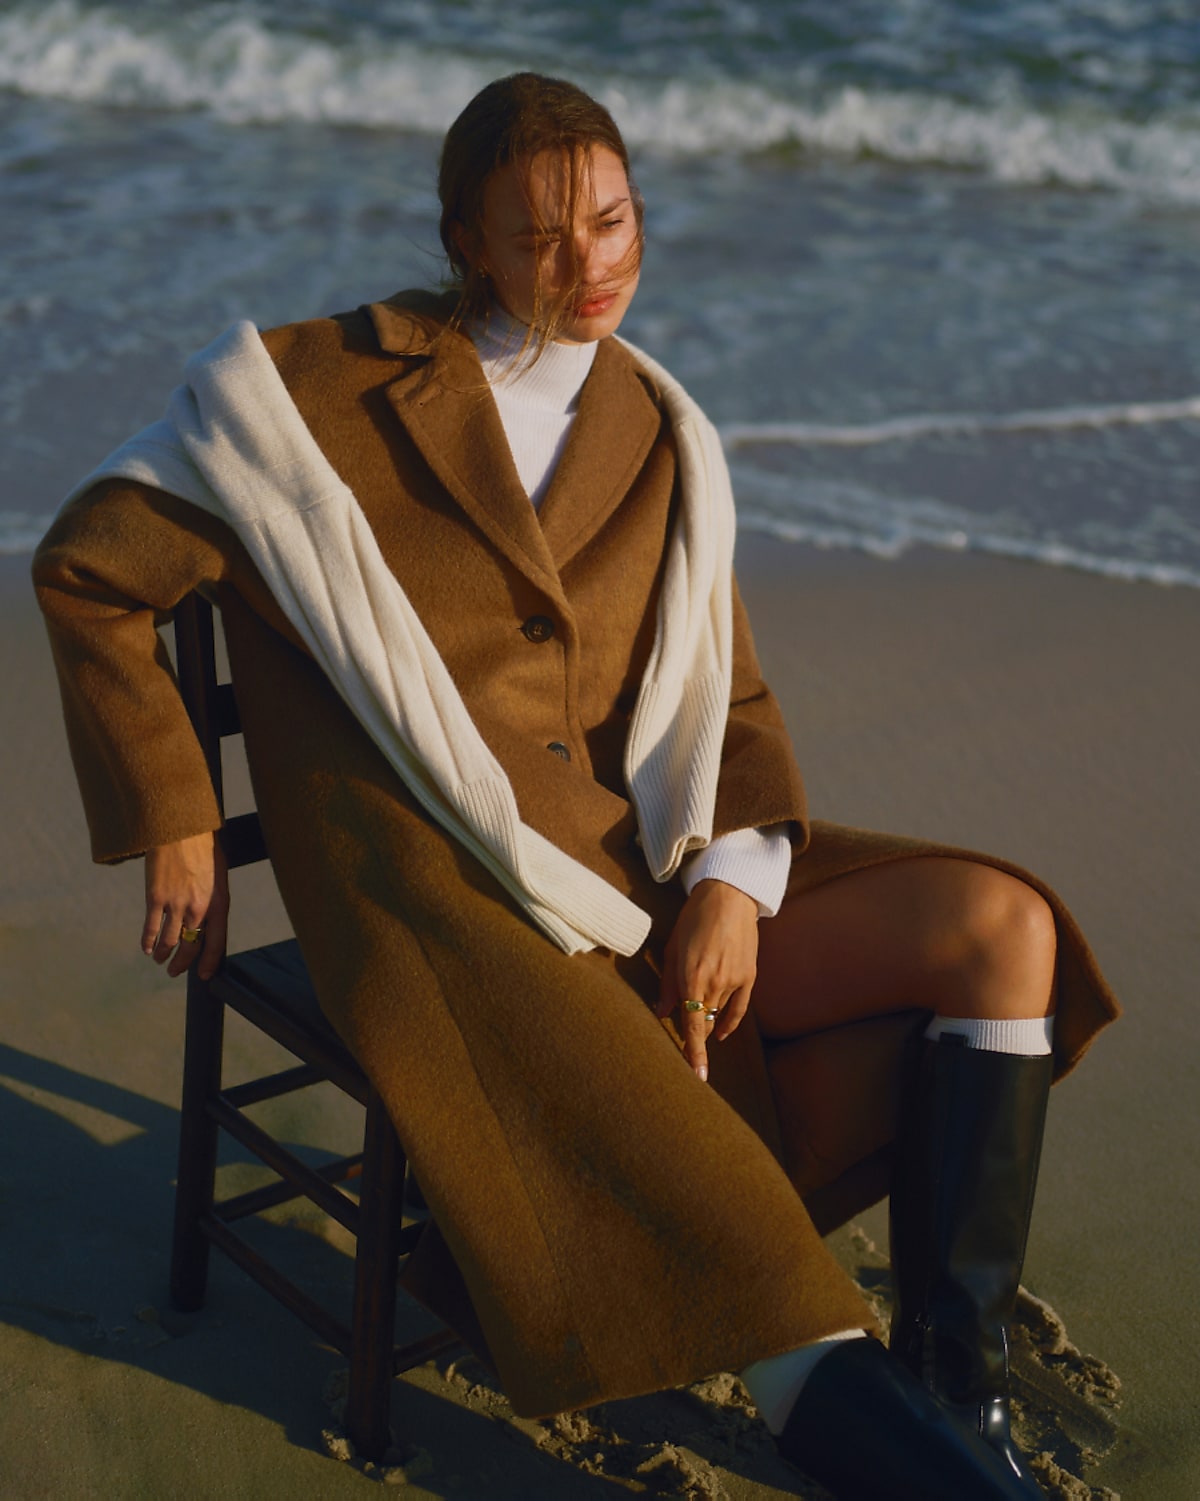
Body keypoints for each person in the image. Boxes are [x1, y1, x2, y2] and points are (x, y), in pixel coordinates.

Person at [34, 72, 1119, 1498]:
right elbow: (90, 567)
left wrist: (732, 879)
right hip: (448, 908)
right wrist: (173, 802)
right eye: (540, 235)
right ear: (466, 237)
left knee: (1003, 931)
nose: (589, 262)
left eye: (612, 220)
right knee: (771, 1288)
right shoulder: (310, 401)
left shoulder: (662, 431)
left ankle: (949, 1383)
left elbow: (724, 697)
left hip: (643, 870)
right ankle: (771, 1308)